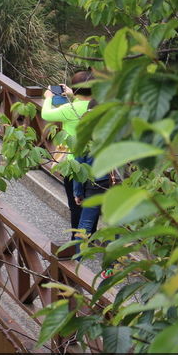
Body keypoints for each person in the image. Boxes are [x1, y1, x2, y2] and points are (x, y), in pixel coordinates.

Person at [41, 70, 102, 241]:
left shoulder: (69, 109)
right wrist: (73, 95)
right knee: (92, 200)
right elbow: (85, 105)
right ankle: (91, 232)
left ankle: (78, 238)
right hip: (96, 161)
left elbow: (46, 114)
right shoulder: (100, 107)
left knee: (76, 203)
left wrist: (48, 97)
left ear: (75, 90)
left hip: (72, 163)